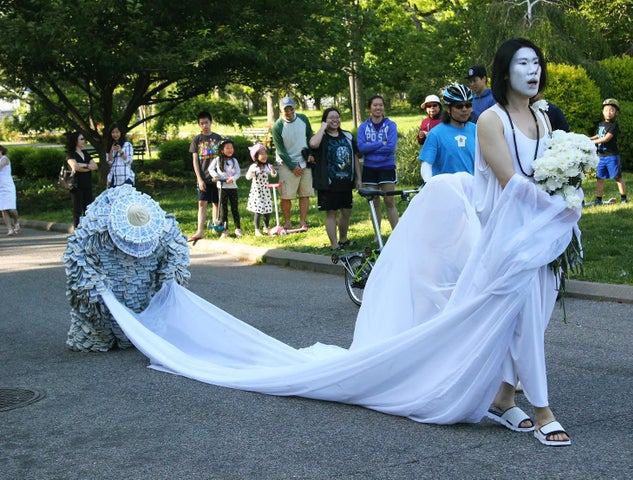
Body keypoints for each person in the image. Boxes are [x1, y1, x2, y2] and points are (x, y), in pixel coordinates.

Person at [101, 38, 577, 449]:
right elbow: (512, 181)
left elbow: (549, 171)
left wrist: (570, 190)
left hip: (539, 232)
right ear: (503, 71)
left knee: (529, 312)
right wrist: (559, 204)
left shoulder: (542, 117)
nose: (532, 72)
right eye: (522, 64)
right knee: (517, 313)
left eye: (537, 63)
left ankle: (503, 397)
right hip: (506, 234)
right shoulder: (491, 119)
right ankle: (544, 411)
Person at [62, 185, 190, 351]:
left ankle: (135, 329)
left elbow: (176, 256)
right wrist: (92, 287)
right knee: (97, 334)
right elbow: (77, 256)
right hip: (104, 298)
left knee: (140, 309)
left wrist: (170, 282)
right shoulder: (97, 229)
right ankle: (104, 331)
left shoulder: (164, 231)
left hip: (142, 300)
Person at [308, 107, 362, 250]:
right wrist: (322, 128)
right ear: (325, 120)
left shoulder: (347, 136)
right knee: (331, 213)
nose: (335, 120)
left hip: (346, 181)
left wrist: (358, 178)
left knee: (346, 211)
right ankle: (334, 244)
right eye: (331, 117)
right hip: (328, 182)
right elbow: (313, 144)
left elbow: (355, 157)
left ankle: (343, 239)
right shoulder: (321, 137)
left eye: (337, 117)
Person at [271, 96, 314, 230]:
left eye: (290, 109)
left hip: (304, 161)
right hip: (286, 164)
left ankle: (302, 221)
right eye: (285, 110)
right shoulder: (278, 126)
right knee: (286, 195)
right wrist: (292, 166)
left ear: (294, 108)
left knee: (305, 193)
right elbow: (280, 150)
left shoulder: (303, 119)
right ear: (280, 110)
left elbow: (310, 136)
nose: (288, 112)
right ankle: (287, 221)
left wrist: (311, 154)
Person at [357, 95, 399, 231]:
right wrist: (381, 143)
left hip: (386, 167)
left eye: (380, 105)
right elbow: (361, 148)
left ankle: (397, 234)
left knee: (389, 201)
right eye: (375, 105)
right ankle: (377, 236)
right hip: (369, 168)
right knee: (374, 203)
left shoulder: (391, 125)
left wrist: (371, 147)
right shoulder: (363, 127)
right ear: (370, 107)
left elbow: (391, 148)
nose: (378, 108)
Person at [418, 84, 475, 183]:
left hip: (472, 192)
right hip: (447, 191)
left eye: (468, 105)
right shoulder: (436, 134)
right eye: (459, 106)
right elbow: (426, 165)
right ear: (448, 109)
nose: (464, 109)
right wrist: (430, 184)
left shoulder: (477, 130)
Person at [188, 111, 223, 243]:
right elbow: (195, 161)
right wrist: (199, 179)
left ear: (211, 122)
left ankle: (216, 226)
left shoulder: (218, 138)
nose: (204, 125)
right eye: (202, 123)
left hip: (216, 177)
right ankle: (200, 230)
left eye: (206, 122)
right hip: (203, 177)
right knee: (202, 203)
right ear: (199, 124)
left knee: (216, 203)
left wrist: (221, 174)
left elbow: (222, 158)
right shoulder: (197, 140)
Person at [589, 98, 629, 205]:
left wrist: (593, 142)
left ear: (616, 113)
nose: (609, 113)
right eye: (606, 110)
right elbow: (599, 135)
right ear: (602, 112)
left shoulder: (614, 126)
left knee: (617, 177)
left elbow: (606, 138)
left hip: (611, 156)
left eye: (612, 110)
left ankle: (624, 198)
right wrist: (589, 138)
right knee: (600, 178)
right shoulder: (601, 124)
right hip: (600, 156)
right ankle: (598, 199)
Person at [208, 138, 243, 238]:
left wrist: (233, 178)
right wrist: (215, 176)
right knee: (224, 209)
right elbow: (210, 169)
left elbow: (238, 172)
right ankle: (225, 229)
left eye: (231, 148)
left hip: (232, 187)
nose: (230, 150)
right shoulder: (218, 160)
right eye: (227, 148)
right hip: (222, 187)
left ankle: (238, 229)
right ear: (222, 150)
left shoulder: (234, 160)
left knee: (234, 208)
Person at [65, 131, 98, 228]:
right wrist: (88, 166)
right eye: (81, 139)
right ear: (75, 141)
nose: (84, 141)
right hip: (76, 185)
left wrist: (84, 165)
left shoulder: (85, 153)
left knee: (88, 209)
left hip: (87, 184)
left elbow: (95, 166)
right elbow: (75, 167)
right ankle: (77, 232)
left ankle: (88, 230)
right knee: (77, 210)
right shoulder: (71, 154)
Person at [245, 143, 277, 236]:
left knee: (267, 210)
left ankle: (266, 227)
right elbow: (247, 177)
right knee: (258, 211)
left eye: (265, 153)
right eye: (261, 154)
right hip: (257, 192)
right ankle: (257, 229)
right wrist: (251, 172)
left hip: (265, 191)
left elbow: (274, 175)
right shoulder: (253, 167)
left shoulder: (267, 166)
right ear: (255, 157)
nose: (264, 156)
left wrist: (273, 170)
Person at [105, 123, 134, 188]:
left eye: (117, 132)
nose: (115, 134)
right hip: (113, 178)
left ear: (121, 133)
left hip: (125, 177)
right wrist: (111, 150)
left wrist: (121, 152)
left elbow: (129, 161)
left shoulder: (127, 145)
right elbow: (109, 162)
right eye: (113, 132)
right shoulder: (110, 145)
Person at [0, 145, 20, 236]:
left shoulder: (5, 159)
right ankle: (9, 229)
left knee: (11, 209)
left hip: (7, 186)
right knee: (3, 209)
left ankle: (16, 221)